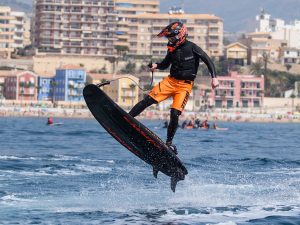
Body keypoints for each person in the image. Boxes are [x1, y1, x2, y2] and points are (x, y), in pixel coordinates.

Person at [129, 21, 219, 154]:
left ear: (181, 35)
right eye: (169, 38)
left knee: (174, 113)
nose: (170, 40)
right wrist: (157, 66)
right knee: (147, 100)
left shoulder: (193, 47)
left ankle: (168, 143)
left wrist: (214, 77)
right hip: (170, 82)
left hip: (184, 86)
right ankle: (127, 118)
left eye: (172, 37)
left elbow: (208, 60)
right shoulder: (172, 48)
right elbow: (165, 64)